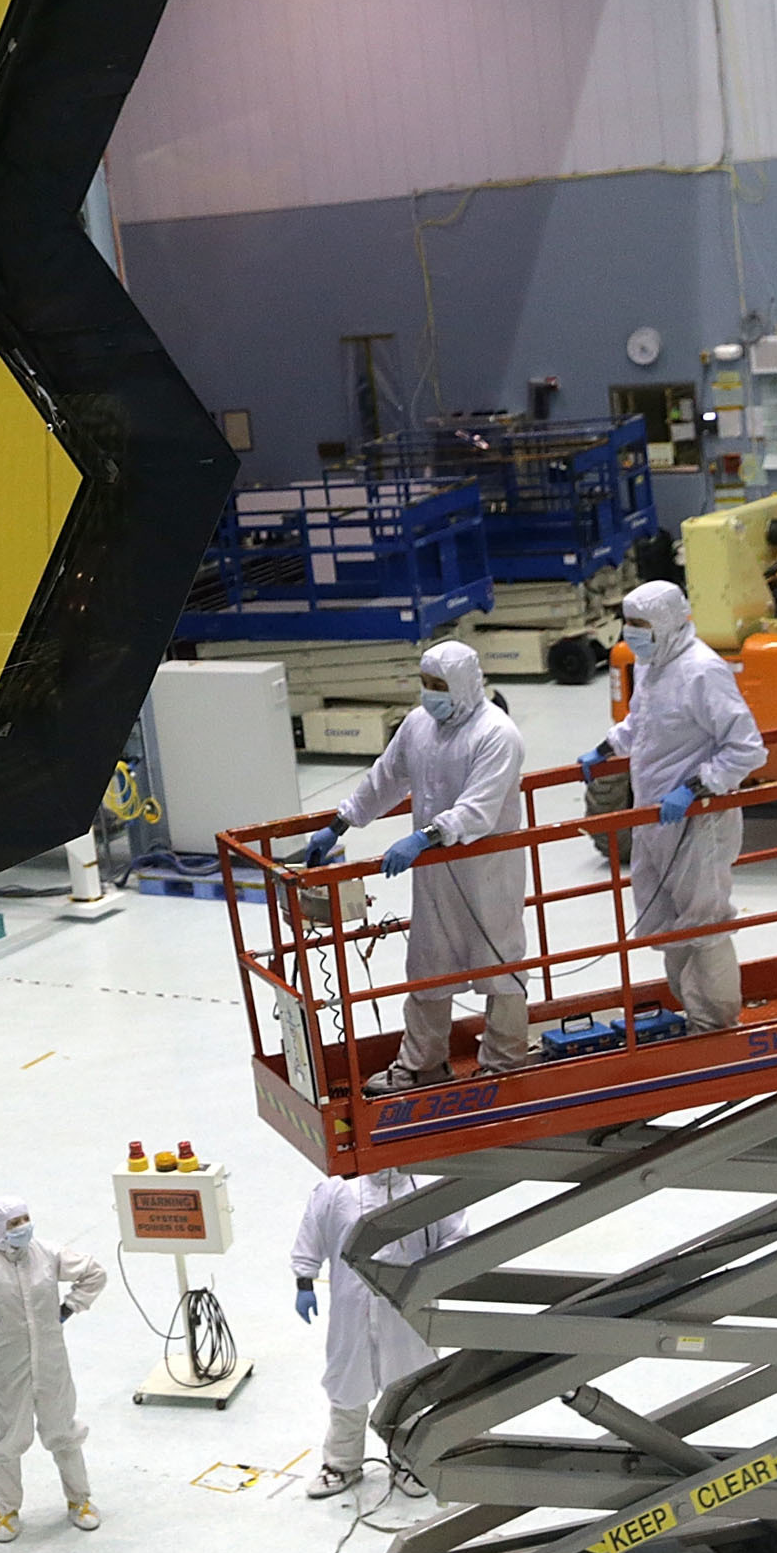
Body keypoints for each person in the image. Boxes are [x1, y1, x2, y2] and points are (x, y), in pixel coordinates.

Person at [305, 641, 529, 1094]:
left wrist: (423, 837)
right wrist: (340, 824)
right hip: (434, 872)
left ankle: (504, 1062)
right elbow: (384, 778)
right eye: (425, 683)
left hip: (486, 871)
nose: (430, 694)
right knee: (428, 961)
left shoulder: (497, 734)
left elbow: (478, 809)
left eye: (439, 685)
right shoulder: (418, 725)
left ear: (463, 684)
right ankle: (422, 1064)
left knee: (497, 960)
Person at [577, 580, 767, 1031]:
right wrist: (606, 749)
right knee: (666, 920)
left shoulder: (702, 670)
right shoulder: (652, 664)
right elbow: (642, 722)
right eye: (627, 622)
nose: (631, 632)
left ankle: (716, 1023)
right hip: (654, 817)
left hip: (698, 820)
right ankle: (691, 1011)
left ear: (666, 623)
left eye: (640, 624)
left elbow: (746, 748)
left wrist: (696, 788)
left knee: (704, 922)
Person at [0, 1196, 107, 1542]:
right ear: (0, 1227)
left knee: (63, 1428)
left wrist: (69, 1307)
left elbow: (94, 1273)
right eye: (14, 1223)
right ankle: (6, 1511)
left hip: (51, 1357)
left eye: (25, 1218)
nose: (23, 1227)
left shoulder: (49, 1254)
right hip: (6, 1361)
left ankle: (80, 1500)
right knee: (7, 1438)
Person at [293, 1165, 468, 1498]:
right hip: (350, 1311)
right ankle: (341, 1464)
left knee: (410, 1386)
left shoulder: (431, 1188)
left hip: (409, 1312)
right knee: (347, 1387)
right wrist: (304, 1279)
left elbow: (456, 1238)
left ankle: (409, 1462)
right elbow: (312, 1231)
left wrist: (443, 1276)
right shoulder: (337, 1189)